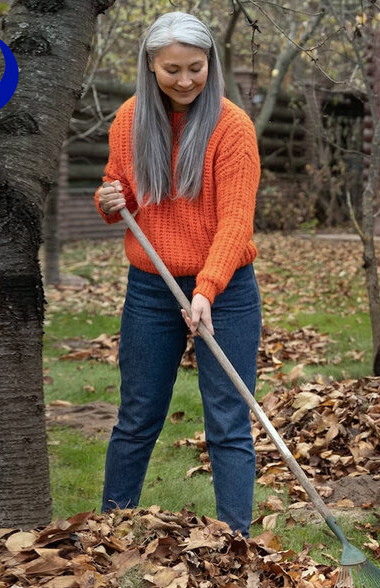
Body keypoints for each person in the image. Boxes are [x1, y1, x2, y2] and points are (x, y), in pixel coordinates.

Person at [94, 12, 262, 535]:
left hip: (226, 289)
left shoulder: (231, 127)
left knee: (229, 422)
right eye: (172, 70)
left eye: (196, 67)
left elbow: (236, 221)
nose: (186, 80)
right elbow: (117, 191)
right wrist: (107, 200)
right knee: (138, 416)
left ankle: (237, 543)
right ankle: (109, 531)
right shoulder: (129, 120)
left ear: (211, 63)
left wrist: (207, 288)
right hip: (150, 288)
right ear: (150, 66)